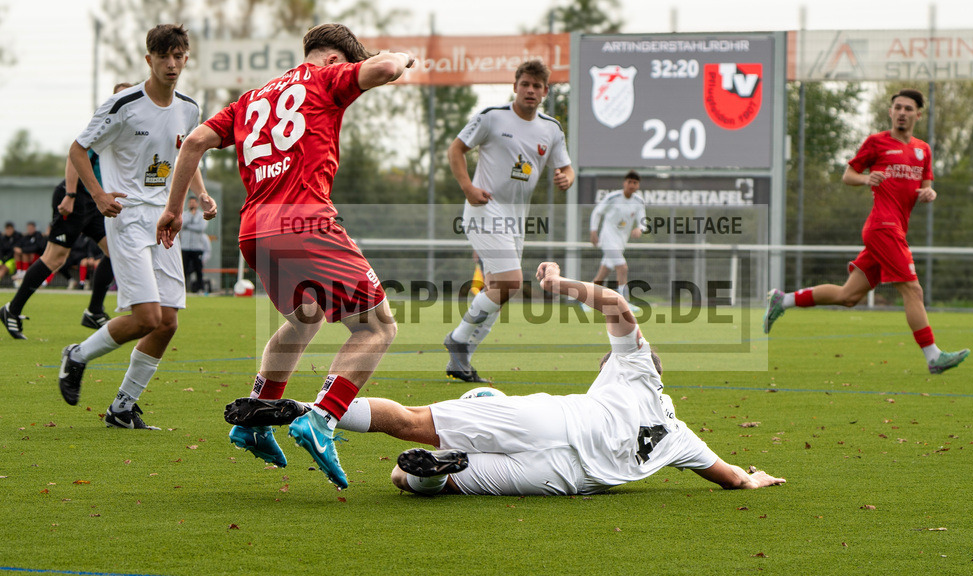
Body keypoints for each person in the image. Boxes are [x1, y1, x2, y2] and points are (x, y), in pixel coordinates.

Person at [225, 261, 786, 496]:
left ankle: (303, 408)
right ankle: (429, 474)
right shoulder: (681, 434)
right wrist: (752, 479)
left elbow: (618, 305)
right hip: (567, 476)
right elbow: (732, 477)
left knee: (415, 423)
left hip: (550, 416)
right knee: (409, 479)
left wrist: (561, 282)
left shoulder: (632, 371)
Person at [157, 23, 414, 489]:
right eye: (346, 65)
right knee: (377, 326)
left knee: (306, 317)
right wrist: (400, 56)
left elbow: (193, 142)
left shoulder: (250, 99)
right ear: (335, 61)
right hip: (305, 223)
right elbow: (385, 67)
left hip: (254, 230)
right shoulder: (326, 79)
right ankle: (322, 418)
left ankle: (252, 420)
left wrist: (174, 209)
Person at [57, 25, 216, 431]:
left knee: (168, 322)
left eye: (179, 56)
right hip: (125, 217)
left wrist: (194, 197)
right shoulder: (123, 104)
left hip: (162, 220)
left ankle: (123, 406)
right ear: (149, 59)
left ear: (186, 58)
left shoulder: (188, 108)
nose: (172, 64)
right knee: (146, 317)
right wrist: (96, 194)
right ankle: (77, 354)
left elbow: (186, 156)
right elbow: (78, 148)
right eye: (164, 56)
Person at [763, 89, 969, 375]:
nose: (902, 113)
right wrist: (865, 178)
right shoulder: (877, 143)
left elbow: (925, 185)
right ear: (890, 112)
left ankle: (783, 300)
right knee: (913, 288)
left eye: (908, 109)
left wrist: (929, 193)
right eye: (897, 107)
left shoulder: (923, 149)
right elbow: (848, 175)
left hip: (894, 228)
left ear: (918, 115)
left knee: (848, 296)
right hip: (882, 227)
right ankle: (933, 356)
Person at [444, 59, 575, 384]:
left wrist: (566, 178)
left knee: (499, 289)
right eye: (525, 84)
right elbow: (456, 149)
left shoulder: (551, 129)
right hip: (484, 209)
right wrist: (468, 188)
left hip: (516, 220)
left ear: (545, 91)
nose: (530, 90)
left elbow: (567, 167)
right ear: (515, 86)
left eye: (537, 86)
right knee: (511, 281)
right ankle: (458, 340)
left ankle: (462, 360)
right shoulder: (492, 118)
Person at [0, 83, 134, 339]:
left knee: (115, 251)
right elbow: (75, 154)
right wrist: (70, 195)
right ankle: (12, 310)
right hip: (76, 196)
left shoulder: (127, 130)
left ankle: (94, 311)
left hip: (96, 200)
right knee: (55, 257)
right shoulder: (104, 123)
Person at [588, 170, 645, 312]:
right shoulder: (613, 197)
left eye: (635, 183)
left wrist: (640, 229)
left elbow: (643, 221)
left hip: (620, 242)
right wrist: (593, 231)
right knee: (622, 268)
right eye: (629, 182)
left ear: (638, 185)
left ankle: (586, 300)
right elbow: (597, 212)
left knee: (603, 272)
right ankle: (624, 303)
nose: (632, 185)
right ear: (624, 183)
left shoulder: (638, 202)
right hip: (607, 239)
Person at [178, 195, 207, 293]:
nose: (192, 204)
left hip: (197, 247)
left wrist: (188, 226)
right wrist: (191, 218)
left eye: (194, 202)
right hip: (185, 247)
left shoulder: (201, 215)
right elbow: (181, 225)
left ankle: (200, 289)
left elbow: (201, 228)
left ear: (197, 204)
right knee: (184, 269)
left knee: (198, 269)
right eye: (190, 202)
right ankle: (183, 289)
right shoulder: (184, 215)